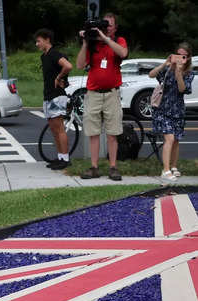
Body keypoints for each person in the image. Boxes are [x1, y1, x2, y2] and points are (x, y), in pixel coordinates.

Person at [76, 12, 128, 181]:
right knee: (93, 132)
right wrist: (85, 43)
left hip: (112, 93)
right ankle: (94, 167)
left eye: (109, 25)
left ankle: (113, 167)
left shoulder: (118, 41)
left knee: (112, 133)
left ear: (115, 28)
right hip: (93, 93)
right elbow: (79, 65)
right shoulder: (92, 44)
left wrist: (105, 38)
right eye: (104, 25)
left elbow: (123, 53)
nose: (106, 28)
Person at [149, 43, 195, 181]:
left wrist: (179, 72)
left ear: (188, 58)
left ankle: (173, 167)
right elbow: (151, 75)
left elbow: (182, 89)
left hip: (177, 110)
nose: (180, 58)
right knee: (169, 138)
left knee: (176, 140)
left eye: (184, 56)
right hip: (162, 109)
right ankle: (166, 170)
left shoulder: (189, 73)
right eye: (178, 54)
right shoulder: (167, 70)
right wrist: (165, 64)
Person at [34, 29, 73, 170]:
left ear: (47, 39)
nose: (37, 44)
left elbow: (68, 66)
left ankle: (66, 159)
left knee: (59, 128)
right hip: (48, 95)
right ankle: (60, 157)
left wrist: (59, 77)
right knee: (53, 129)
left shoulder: (54, 54)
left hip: (57, 95)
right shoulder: (44, 57)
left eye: (39, 41)